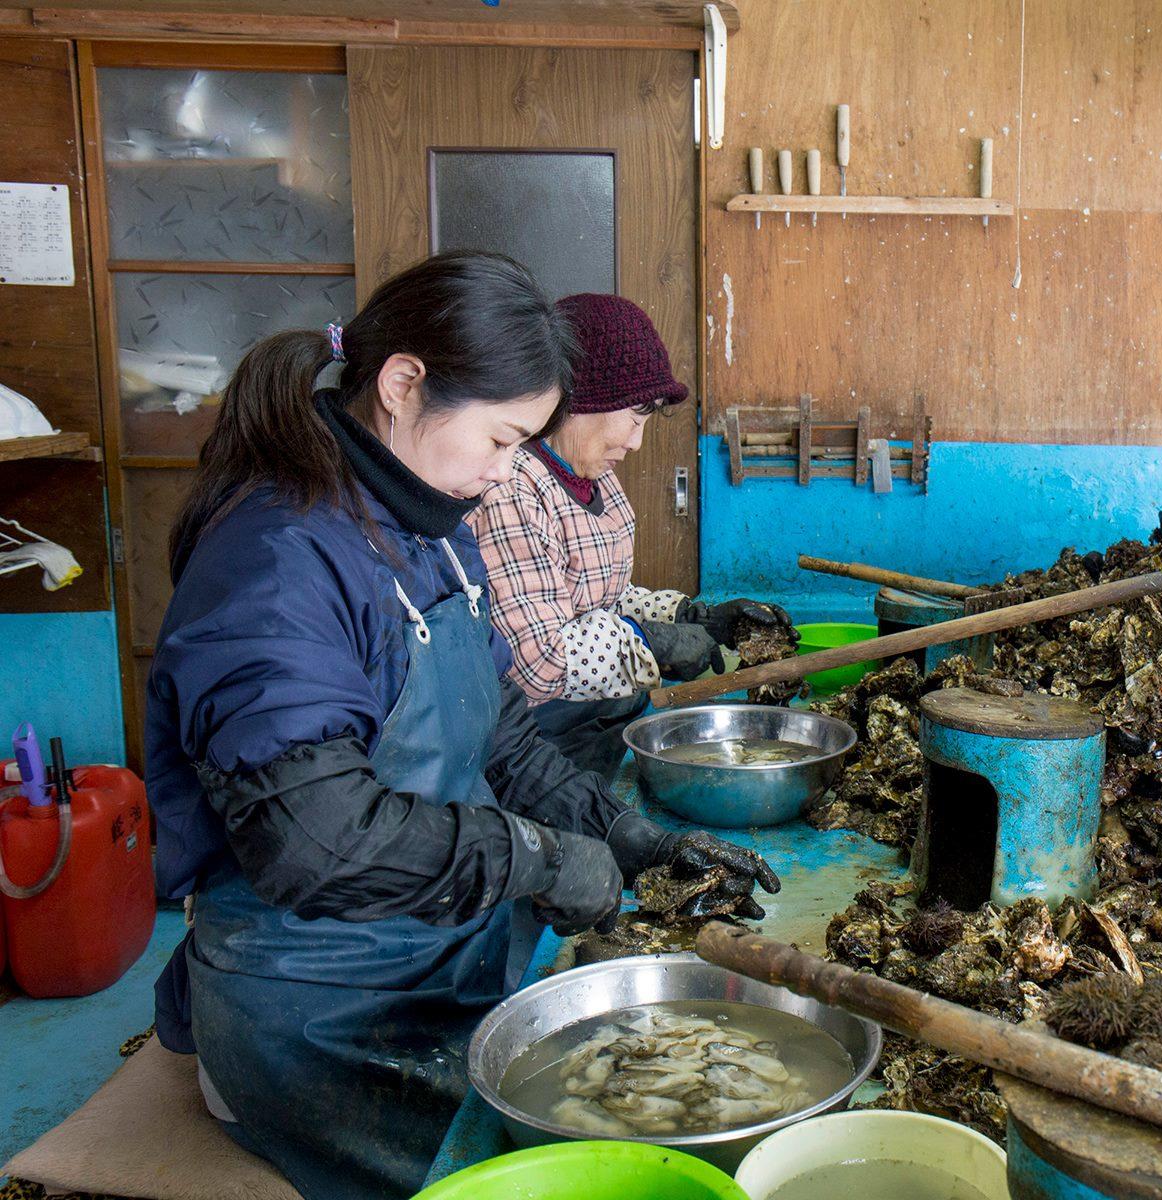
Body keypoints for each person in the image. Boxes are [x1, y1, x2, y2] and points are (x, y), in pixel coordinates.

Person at [144, 251, 779, 1200]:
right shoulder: (273, 566)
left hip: (446, 959)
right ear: (403, 385)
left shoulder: (426, 525)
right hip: (318, 1014)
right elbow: (312, 844)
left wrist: (630, 839)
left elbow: (505, 737)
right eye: (501, 439)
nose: (506, 472)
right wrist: (535, 858)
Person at [472, 292, 789, 778]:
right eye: (634, 416)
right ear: (580, 401)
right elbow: (535, 663)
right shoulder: (509, 486)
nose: (636, 441)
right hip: (527, 750)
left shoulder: (596, 479)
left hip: (594, 721)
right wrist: (651, 642)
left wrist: (689, 614)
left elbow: (604, 599)